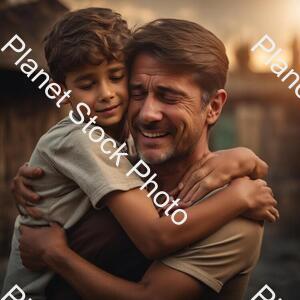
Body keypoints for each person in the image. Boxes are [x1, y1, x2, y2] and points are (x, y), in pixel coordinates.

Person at [11, 15, 278, 300]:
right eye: (138, 92)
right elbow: (153, 237)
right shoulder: (110, 159)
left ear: (213, 107)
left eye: (169, 96)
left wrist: (56, 255)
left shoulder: (234, 220)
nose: (147, 113)